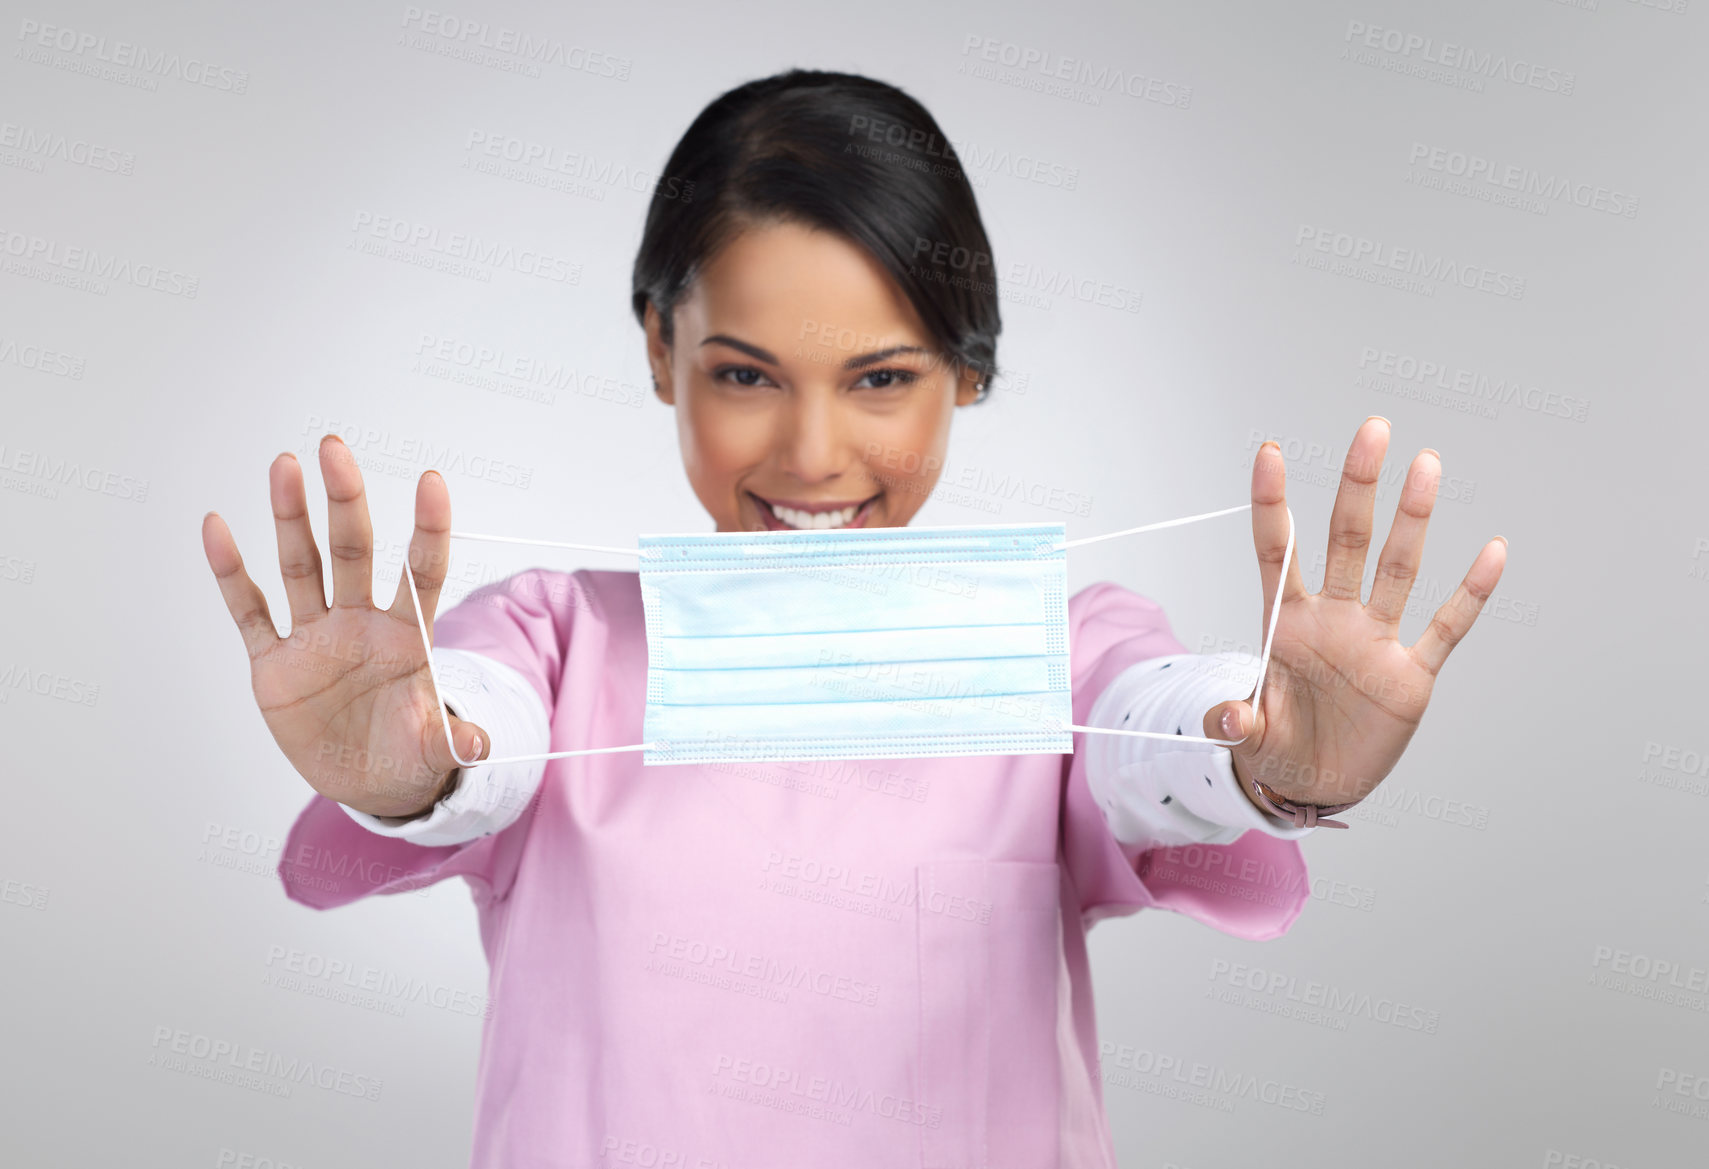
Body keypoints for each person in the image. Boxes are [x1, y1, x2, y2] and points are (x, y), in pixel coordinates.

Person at [200, 68, 1506, 1167]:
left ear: (967, 368)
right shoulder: (549, 639)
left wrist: (1261, 756)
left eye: (880, 378)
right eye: (743, 375)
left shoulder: (1058, 650)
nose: (812, 450)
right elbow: (482, 733)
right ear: (659, 347)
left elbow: (1149, 731)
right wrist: (417, 763)